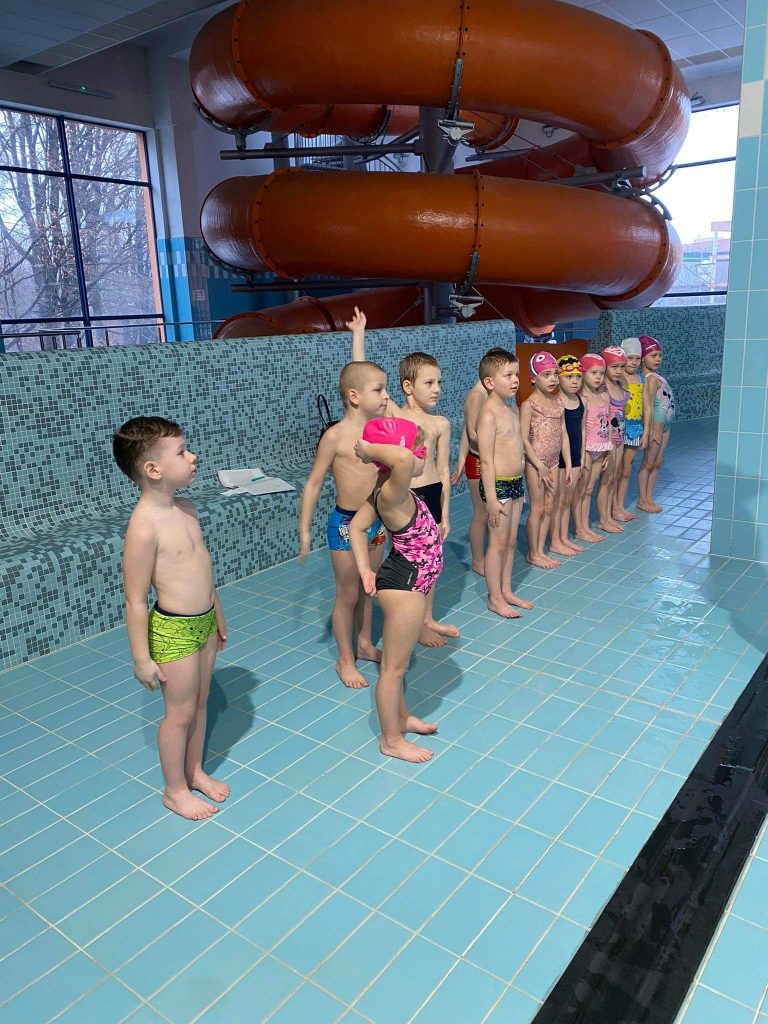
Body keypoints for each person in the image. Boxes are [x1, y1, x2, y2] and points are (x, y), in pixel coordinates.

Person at [114, 416, 229, 821]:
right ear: (153, 469)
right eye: (181, 452)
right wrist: (141, 658)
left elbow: (202, 568)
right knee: (179, 714)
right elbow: (135, 600)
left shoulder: (187, 508)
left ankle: (194, 771)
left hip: (203, 623)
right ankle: (174, 790)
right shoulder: (144, 528)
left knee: (201, 703)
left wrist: (216, 612)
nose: (192, 456)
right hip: (173, 630)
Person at [298, 309, 389, 688]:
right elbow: (313, 484)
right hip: (344, 524)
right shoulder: (334, 437)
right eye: (379, 391)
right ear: (354, 397)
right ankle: (344, 659)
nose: (385, 396)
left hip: (375, 521)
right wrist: (305, 530)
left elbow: (360, 373)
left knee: (371, 587)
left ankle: (365, 643)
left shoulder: (378, 428)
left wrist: (358, 335)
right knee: (348, 594)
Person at [352, 326, 458, 646]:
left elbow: (443, 468)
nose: (436, 389)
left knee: (431, 559)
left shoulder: (441, 423)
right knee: (407, 556)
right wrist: (358, 336)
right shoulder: (397, 416)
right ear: (408, 387)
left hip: (432, 494)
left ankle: (426, 618)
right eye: (429, 383)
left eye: (439, 382)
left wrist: (446, 513)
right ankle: (409, 616)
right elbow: (363, 378)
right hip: (405, 495)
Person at [349, 417, 442, 763]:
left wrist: (365, 569)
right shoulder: (391, 491)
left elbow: (357, 528)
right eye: (419, 450)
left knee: (397, 665)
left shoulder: (388, 487)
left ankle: (401, 718)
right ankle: (390, 740)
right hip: (405, 586)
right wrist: (368, 450)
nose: (424, 453)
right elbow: (402, 459)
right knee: (393, 669)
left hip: (407, 581)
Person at [476, 349, 535, 618]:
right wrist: (490, 498)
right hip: (497, 486)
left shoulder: (512, 409)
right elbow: (486, 461)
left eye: (516, 374)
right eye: (508, 375)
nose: (515, 380)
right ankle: (494, 598)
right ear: (489, 382)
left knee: (510, 541)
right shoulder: (488, 414)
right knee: (497, 543)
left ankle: (507, 590)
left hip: (515, 483)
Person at [519, 351, 571, 569]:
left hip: (554, 462)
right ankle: (533, 553)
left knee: (550, 506)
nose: (552, 379)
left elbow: (564, 434)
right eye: (546, 375)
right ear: (534, 378)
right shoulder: (529, 405)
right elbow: (523, 439)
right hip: (536, 463)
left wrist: (568, 463)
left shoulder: (558, 401)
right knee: (538, 508)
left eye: (555, 374)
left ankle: (540, 550)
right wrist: (539, 465)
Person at [451, 377, 490, 576]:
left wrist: (460, 461)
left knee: (489, 512)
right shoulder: (477, 395)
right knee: (481, 513)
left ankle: (488, 556)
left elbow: (467, 430)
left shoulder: (486, 393)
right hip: (478, 460)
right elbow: (473, 434)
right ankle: (478, 561)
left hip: (485, 459)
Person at [549, 353, 586, 557]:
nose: (574, 381)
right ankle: (555, 541)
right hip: (561, 459)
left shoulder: (582, 401)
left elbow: (582, 430)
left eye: (578, 377)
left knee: (567, 500)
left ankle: (563, 538)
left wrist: (583, 454)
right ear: (558, 378)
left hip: (576, 457)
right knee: (558, 501)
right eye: (569, 376)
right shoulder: (556, 402)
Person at [573, 353, 611, 543]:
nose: (598, 377)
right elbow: (580, 430)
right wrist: (581, 455)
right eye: (593, 373)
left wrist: (608, 450)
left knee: (589, 490)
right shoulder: (582, 398)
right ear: (584, 373)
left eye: (601, 373)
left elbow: (608, 423)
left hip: (601, 448)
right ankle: (579, 528)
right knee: (581, 490)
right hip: (587, 449)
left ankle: (585, 526)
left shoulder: (604, 396)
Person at [637, 334, 675, 513]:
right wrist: (652, 430)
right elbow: (649, 407)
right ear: (643, 358)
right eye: (653, 355)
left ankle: (649, 497)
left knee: (657, 462)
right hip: (657, 425)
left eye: (660, 355)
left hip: (665, 425)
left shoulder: (657, 377)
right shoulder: (650, 379)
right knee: (648, 462)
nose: (658, 359)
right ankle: (642, 500)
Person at [595, 345, 630, 534]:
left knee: (614, 477)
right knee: (606, 480)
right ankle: (603, 519)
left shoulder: (620, 386)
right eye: (614, 367)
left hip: (619, 438)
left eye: (622, 367)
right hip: (606, 441)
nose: (619, 371)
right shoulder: (602, 389)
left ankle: (609, 514)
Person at [614, 337, 644, 522]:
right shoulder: (618, 378)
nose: (633, 362)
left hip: (634, 427)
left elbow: (646, 406)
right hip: (620, 427)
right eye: (630, 358)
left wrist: (646, 431)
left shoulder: (641, 379)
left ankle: (619, 505)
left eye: (637, 358)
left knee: (626, 470)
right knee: (615, 470)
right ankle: (611, 507)